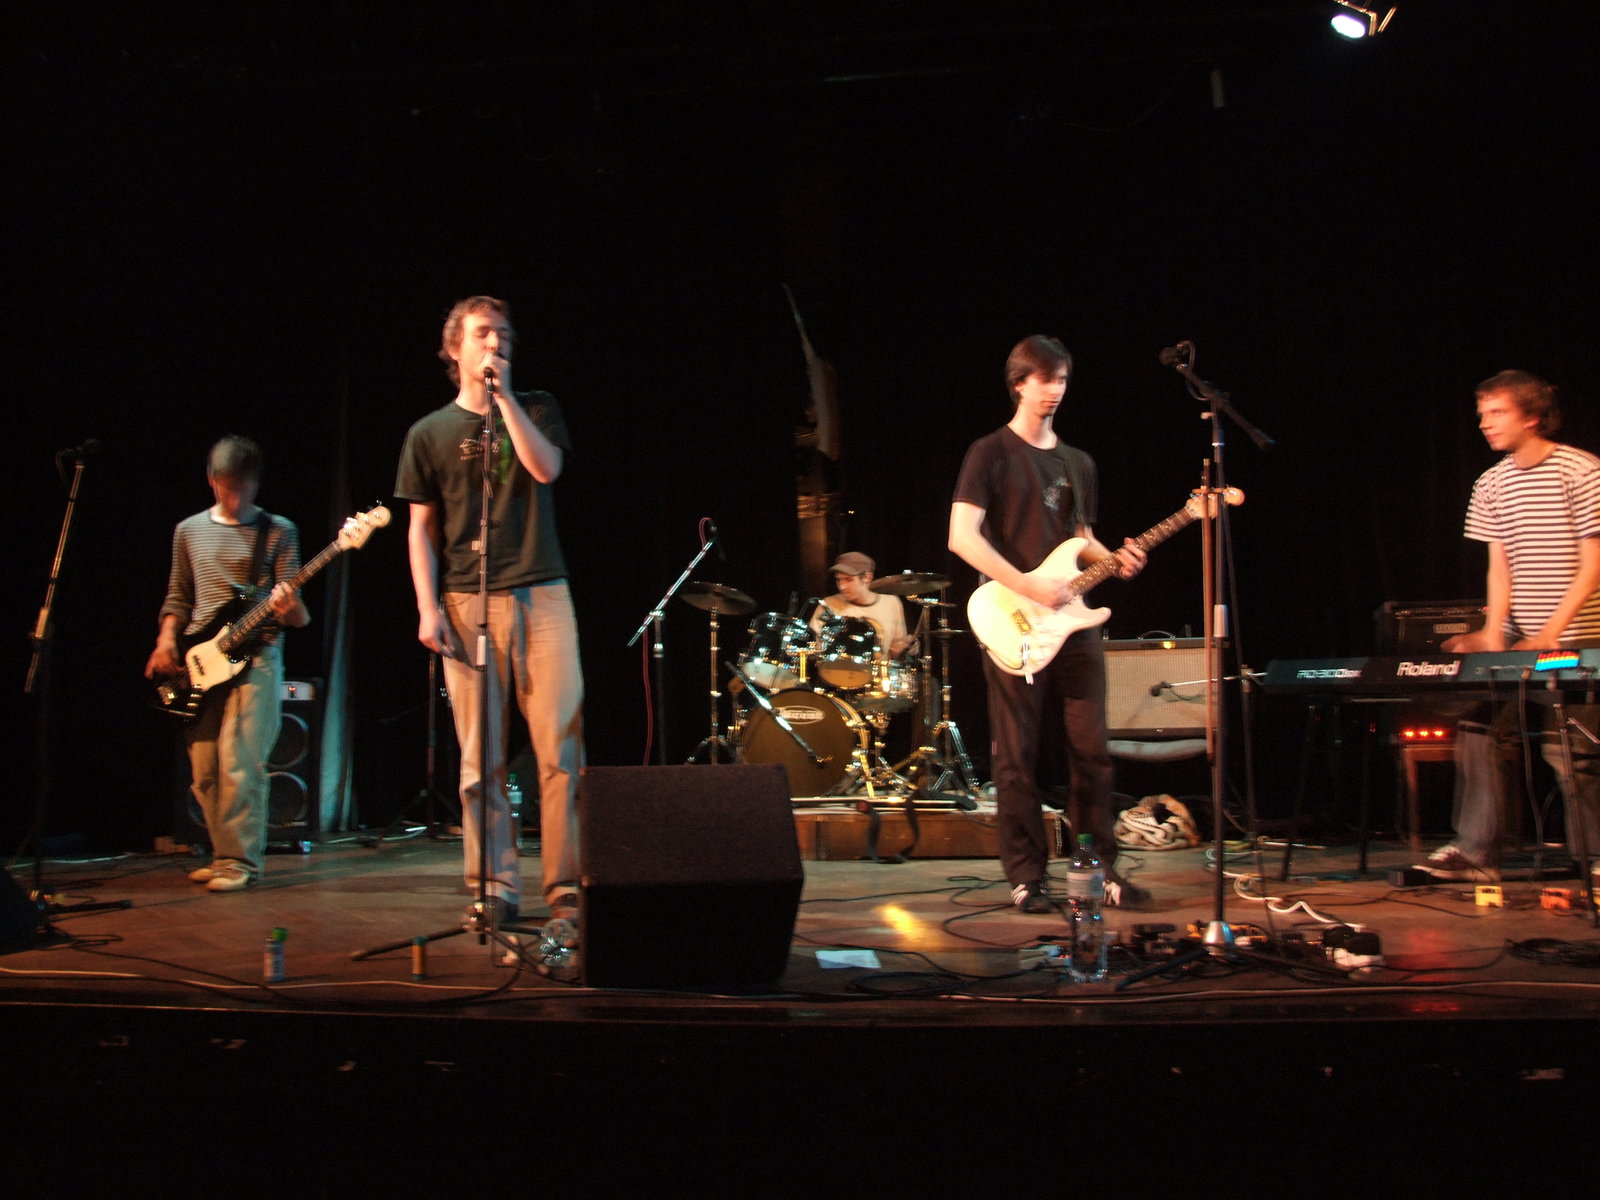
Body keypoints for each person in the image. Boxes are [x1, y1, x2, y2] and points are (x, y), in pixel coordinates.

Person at [394, 296, 584, 924]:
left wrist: (503, 401)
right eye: (482, 333)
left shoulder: (536, 407)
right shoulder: (427, 433)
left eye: (503, 333)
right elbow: (421, 530)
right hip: (465, 599)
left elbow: (546, 469)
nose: (495, 343)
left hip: (543, 593)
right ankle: (494, 885)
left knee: (560, 747)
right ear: (455, 348)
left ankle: (564, 885)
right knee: (481, 757)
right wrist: (427, 608)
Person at [948, 335, 1148, 913]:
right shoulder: (990, 452)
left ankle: (1096, 869)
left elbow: (1080, 539)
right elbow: (962, 537)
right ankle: (1026, 876)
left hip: (1075, 623)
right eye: (1045, 379)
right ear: (1019, 384)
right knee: (1017, 755)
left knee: (1092, 753)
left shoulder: (1078, 463)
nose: (1056, 390)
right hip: (1014, 617)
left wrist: (1118, 559)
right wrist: (1028, 585)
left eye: (1062, 379)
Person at [1421, 370, 1600, 886]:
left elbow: (1593, 564)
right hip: (1523, 639)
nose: (1484, 423)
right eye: (1482, 413)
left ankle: (1593, 856)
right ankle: (1477, 852)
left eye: (1497, 412)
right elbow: (1499, 568)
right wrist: (1492, 633)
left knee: (1570, 752)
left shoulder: (1581, 471)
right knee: (1480, 730)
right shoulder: (1492, 482)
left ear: (1533, 416)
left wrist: (1553, 632)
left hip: (1581, 635)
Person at [145, 436, 309, 893]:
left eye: (243, 488)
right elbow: (178, 596)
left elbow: (299, 617)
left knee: (242, 762)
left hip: (258, 656)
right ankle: (222, 856)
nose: (235, 498)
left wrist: (290, 607)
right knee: (205, 771)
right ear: (211, 481)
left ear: (257, 483)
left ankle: (240, 862)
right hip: (203, 660)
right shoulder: (188, 531)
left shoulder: (279, 531)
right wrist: (165, 640)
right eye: (226, 488)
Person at [808, 550, 914, 658]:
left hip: (878, 668)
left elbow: (896, 649)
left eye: (848, 579)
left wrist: (907, 648)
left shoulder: (891, 603)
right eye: (838, 580)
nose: (842, 586)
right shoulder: (828, 605)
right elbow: (813, 648)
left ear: (867, 577)